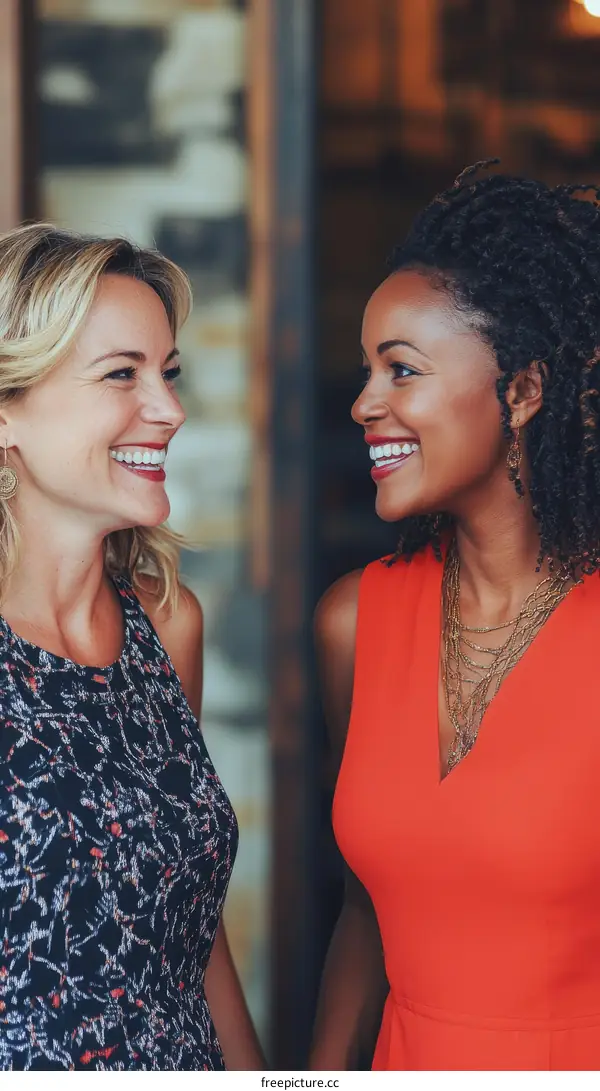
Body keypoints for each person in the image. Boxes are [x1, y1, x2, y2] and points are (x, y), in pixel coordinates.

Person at [310, 162, 600, 1071]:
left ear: (521, 393)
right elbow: (364, 913)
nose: (365, 403)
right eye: (368, 370)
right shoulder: (354, 622)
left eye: (402, 370)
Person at [0, 223, 265, 1071]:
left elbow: (191, 927)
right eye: (122, 374)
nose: (171, 409)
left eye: (169, 372)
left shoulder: (165, 622)